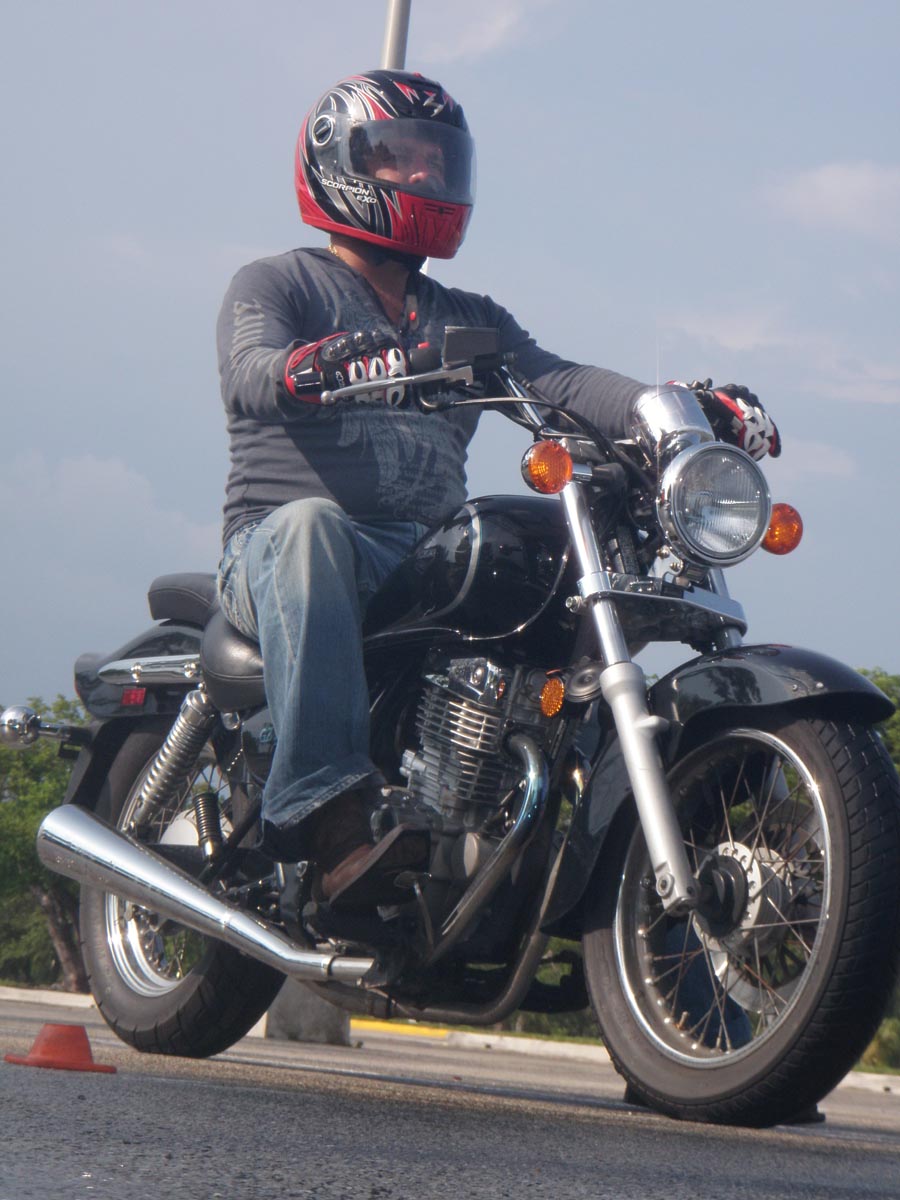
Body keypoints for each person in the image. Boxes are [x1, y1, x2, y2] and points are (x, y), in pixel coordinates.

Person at [215, 69, 780, 909]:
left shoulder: (467, 317)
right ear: (340, 165)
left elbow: (561, 382)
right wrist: (313, 365)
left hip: (418, 560)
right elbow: (250, 371)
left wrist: (680, 412)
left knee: (542, 571)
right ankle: (326, 815)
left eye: (438, 159)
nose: (424, 173)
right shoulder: (279, 283)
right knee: (311, 529)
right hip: (278, 550)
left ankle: (535, 828)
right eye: (400, 156)